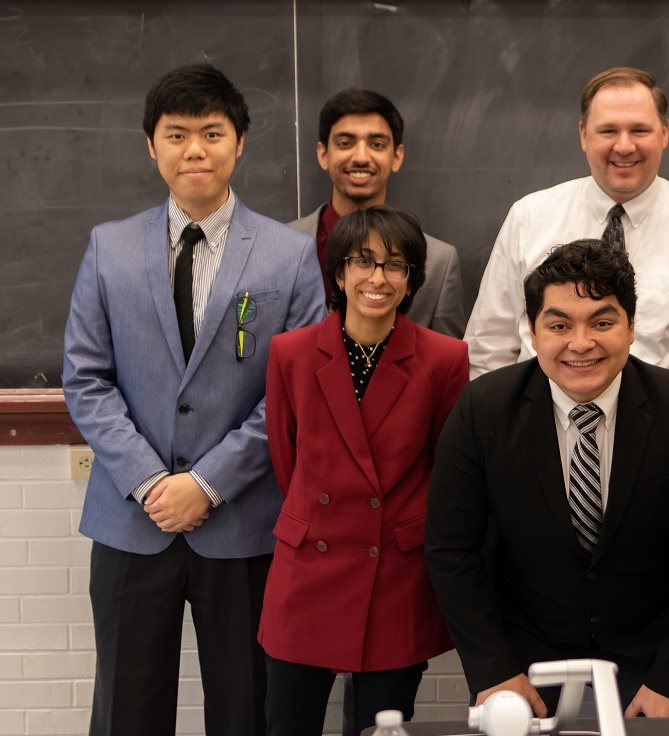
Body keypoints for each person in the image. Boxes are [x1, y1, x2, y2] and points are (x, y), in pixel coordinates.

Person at [62, 64, 326, 736]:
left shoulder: (289, 257)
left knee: (247, 711)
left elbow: (295, 393)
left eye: (212, 133)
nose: (195, 150)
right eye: (176, 134)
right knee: (127, 711)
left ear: (240, 143)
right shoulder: (108, 248)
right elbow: (86, 379)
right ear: (151, 146)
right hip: (131, 522)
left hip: (243, 525)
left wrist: (207, 484)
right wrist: (154, 482)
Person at [427, 240, 669, 718]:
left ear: (632, 328)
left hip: (653, 660)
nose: (580, 343)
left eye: (602, 322)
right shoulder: (481, 411)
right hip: (523, 658)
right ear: (531, 332)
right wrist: (493, 670)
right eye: (559, 325)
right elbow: (452, 549)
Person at [259, 206, 468, 735]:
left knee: (383, 730)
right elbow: (288, 460)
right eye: (363, 261)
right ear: (338, 273)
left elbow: (446, 471)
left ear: (412, 279)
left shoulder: (445, 358)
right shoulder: (291, 353)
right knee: (287, 725)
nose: (378, 278)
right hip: (308, 567)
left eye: (395, 265)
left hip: (395, 574)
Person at [464, 66, 669, 430]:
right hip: (539, 440)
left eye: (639, 130)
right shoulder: (529, 217)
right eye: (609, 130)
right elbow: (489, 347)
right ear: (584, 134)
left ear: (664, 133)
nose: (624, 145)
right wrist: (497, 439)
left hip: (664, 446)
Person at [288, 89, 466, 337]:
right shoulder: (279, 249)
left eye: (377, 144)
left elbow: (449, 365)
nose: (361, 157)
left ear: (396, 156)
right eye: (345, 143)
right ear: (323, 154)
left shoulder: (438, 262)